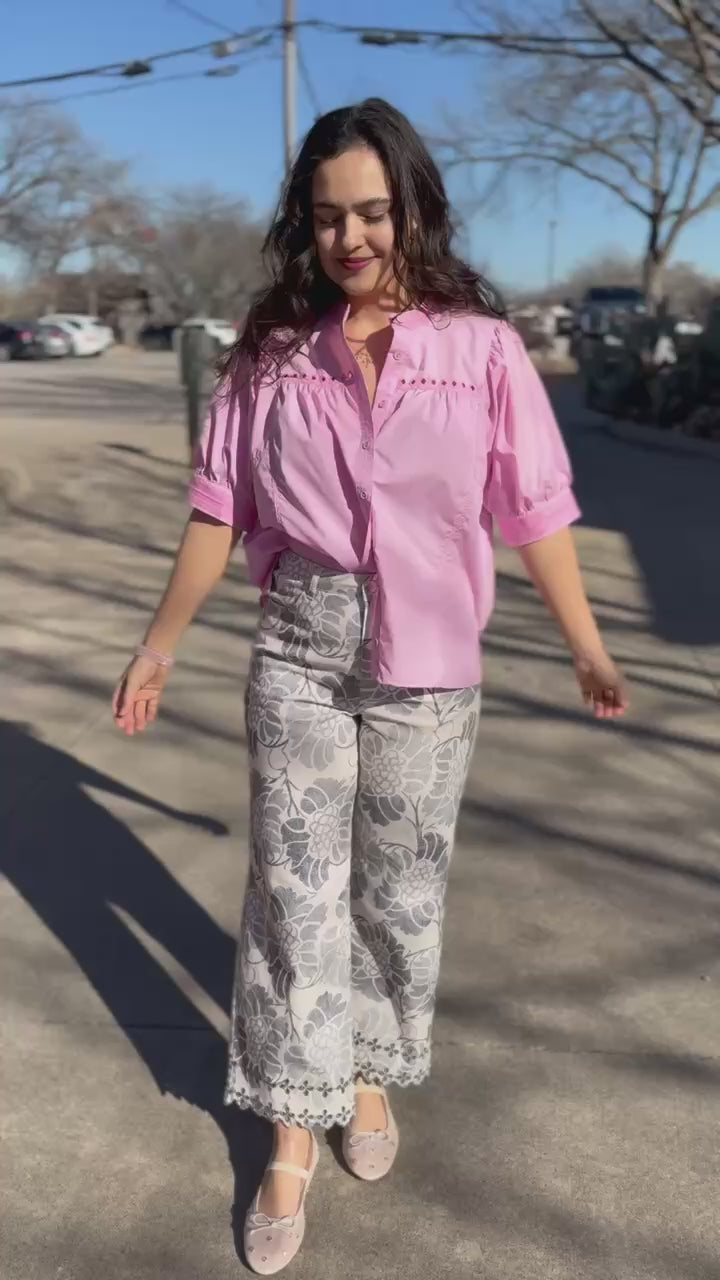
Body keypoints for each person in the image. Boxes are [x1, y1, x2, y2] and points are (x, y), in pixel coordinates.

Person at [113, 98, 628, 1274]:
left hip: (431, 666)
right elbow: (215, 507)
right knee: (296, 891)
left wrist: (590, 643)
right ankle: (290, 1125)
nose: (351, 237)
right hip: (298, 646)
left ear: (411, 210)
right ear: (305, 223)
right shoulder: (269, 353)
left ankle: (366, 1074)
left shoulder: (480, 350)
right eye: (329, 215)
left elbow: (535, 510)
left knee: (397, 895)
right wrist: (160, 643)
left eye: (374, 213)